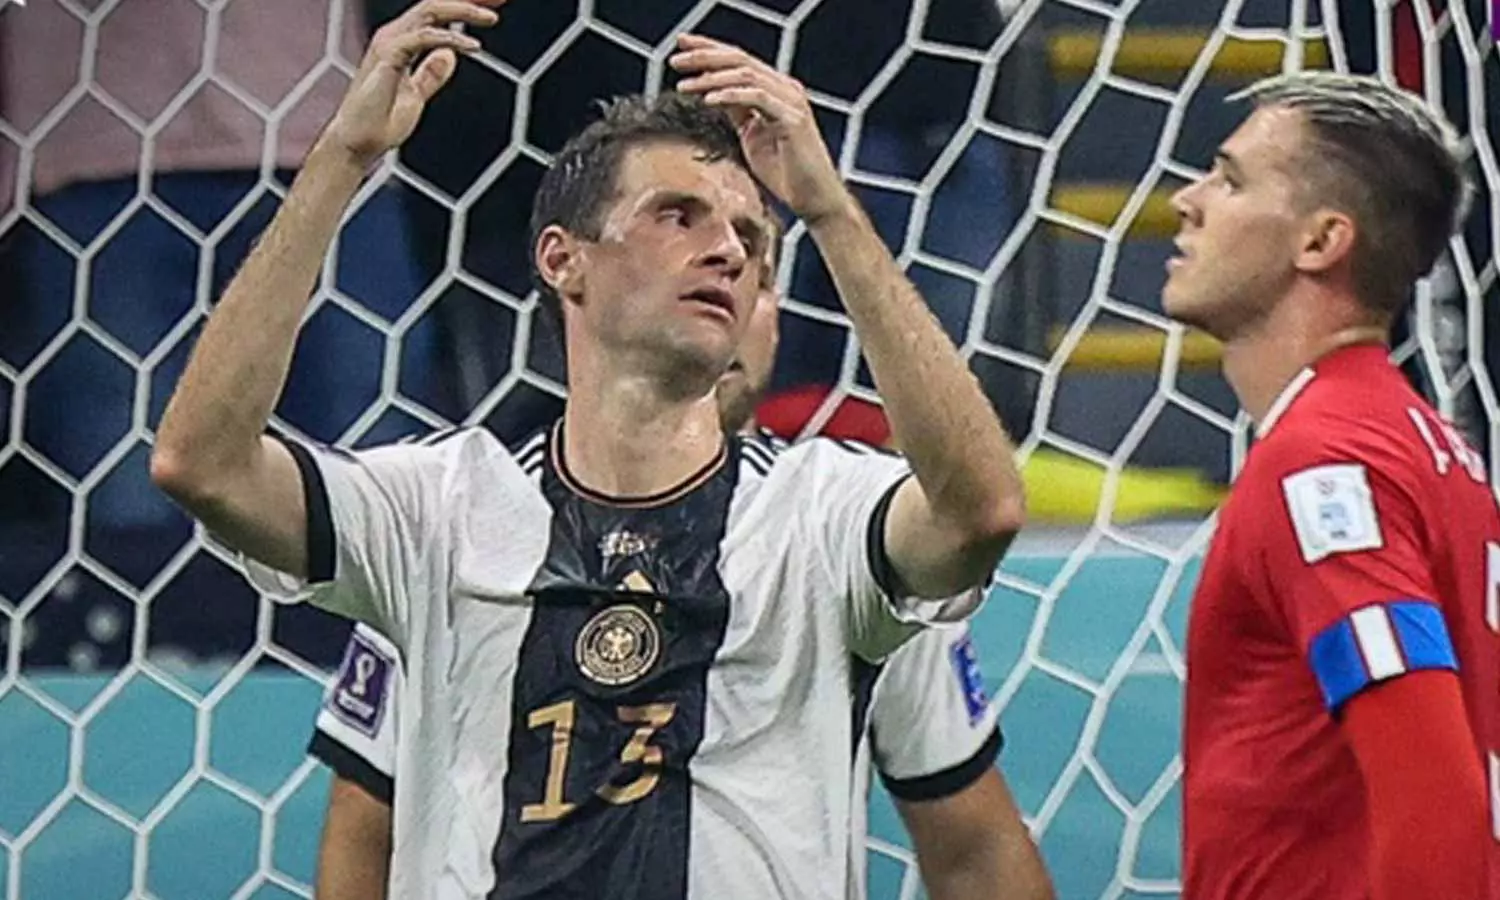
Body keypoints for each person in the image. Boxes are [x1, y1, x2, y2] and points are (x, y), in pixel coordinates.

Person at [149, 1, 1027, 895]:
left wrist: (830, 209)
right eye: (678, 215)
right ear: (562, 259)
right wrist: (341, 157)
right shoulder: (438, 508)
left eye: (751, 240)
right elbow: (202, 465)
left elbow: (982, 512)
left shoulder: (827, 512)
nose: (726, 251)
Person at [305, 240, 1054, 900]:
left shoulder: (858, 537)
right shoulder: (466, 521)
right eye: (683, 267)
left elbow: (973, 847)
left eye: (755, 274)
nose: (723, 298)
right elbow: (366, 831)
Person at [1163, 70, 1490, 899]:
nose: (1186, 202)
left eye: (1230, 180)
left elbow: (1436, 801)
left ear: (1320, 242)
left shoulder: (1326, 466)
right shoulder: (1422, 442)